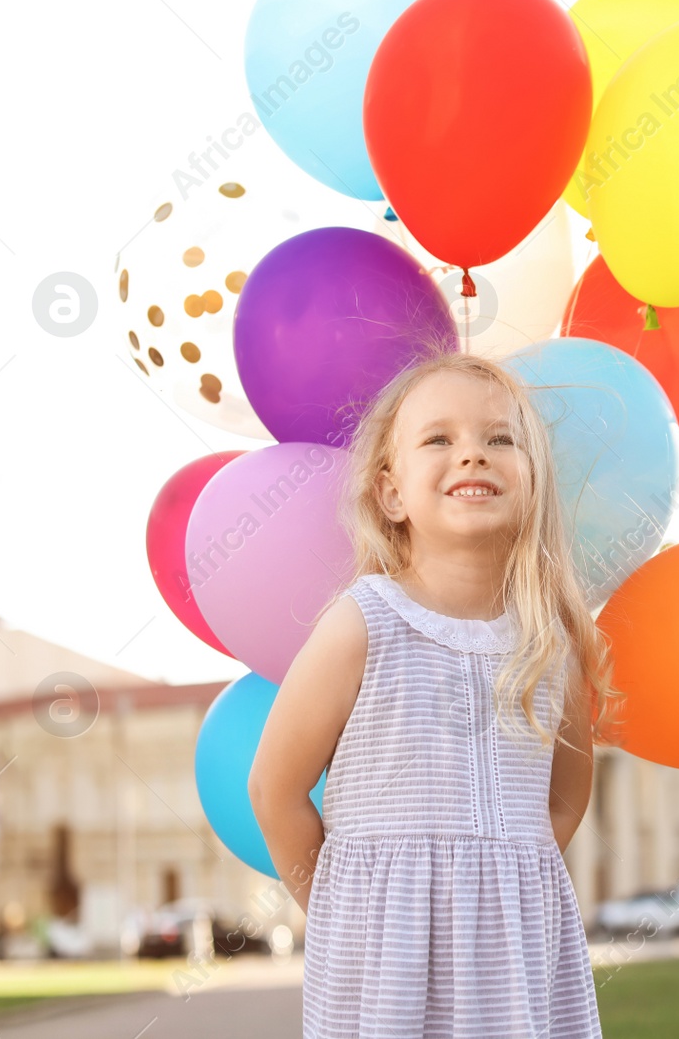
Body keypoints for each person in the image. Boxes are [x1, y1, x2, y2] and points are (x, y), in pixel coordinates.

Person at [250, 349, 621, 1038]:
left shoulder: (548, 642)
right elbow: (275, 788)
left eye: (499, 438)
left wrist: (513, 877)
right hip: (383, 970)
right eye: (439, 439)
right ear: (391, 492)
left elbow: (564, 798)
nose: (472, 455)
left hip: (516, 969)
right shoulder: (363, 624)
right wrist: (343, 906)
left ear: (533, 480)